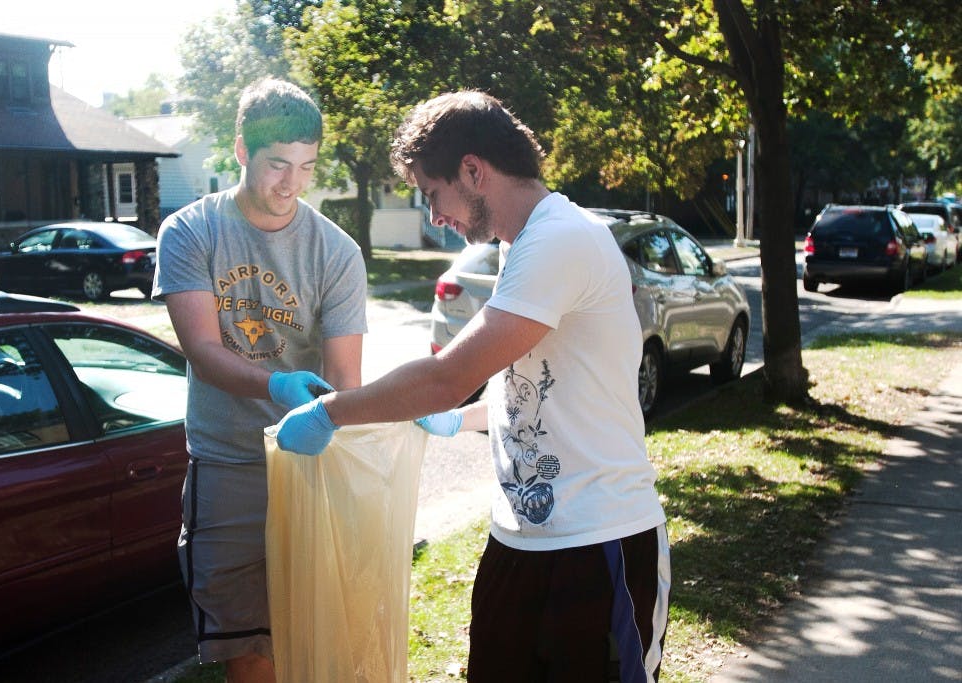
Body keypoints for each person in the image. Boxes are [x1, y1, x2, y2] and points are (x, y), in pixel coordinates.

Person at [274, 90, 671, 682]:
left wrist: (334, 411)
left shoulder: (561, 237)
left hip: (599, 541)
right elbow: (535, 389)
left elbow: (448, 376)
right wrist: (464, 419)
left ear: (473, 170)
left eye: (432, 194)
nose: (434, 216)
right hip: (521, 540)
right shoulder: (520, 245)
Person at [152, 77, 367, 683]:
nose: (292, 184)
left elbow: (344, 378)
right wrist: (275, 386)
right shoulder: (191, 232)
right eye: (278, 164)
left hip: (309, 464)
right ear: (242, 151)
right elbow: (201, 349)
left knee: (312, 630)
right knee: (246, 646)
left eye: (307, 167)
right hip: (227, 464)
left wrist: (346, 426)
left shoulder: (336, 252)